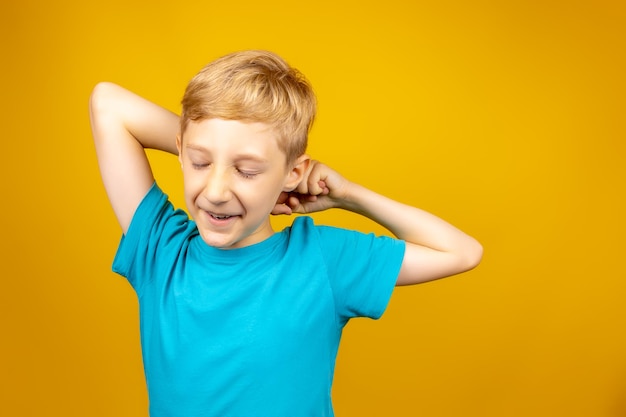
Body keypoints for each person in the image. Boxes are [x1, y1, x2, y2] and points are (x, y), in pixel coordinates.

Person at [89, 50, 482, 417]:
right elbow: (107, 103)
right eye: (198, 161)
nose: (215, 191)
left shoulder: (322, 260)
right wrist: (219, 140)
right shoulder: (161, 250)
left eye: (247, 170)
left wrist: (348, 194)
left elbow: (460, 252)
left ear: (292, 173)